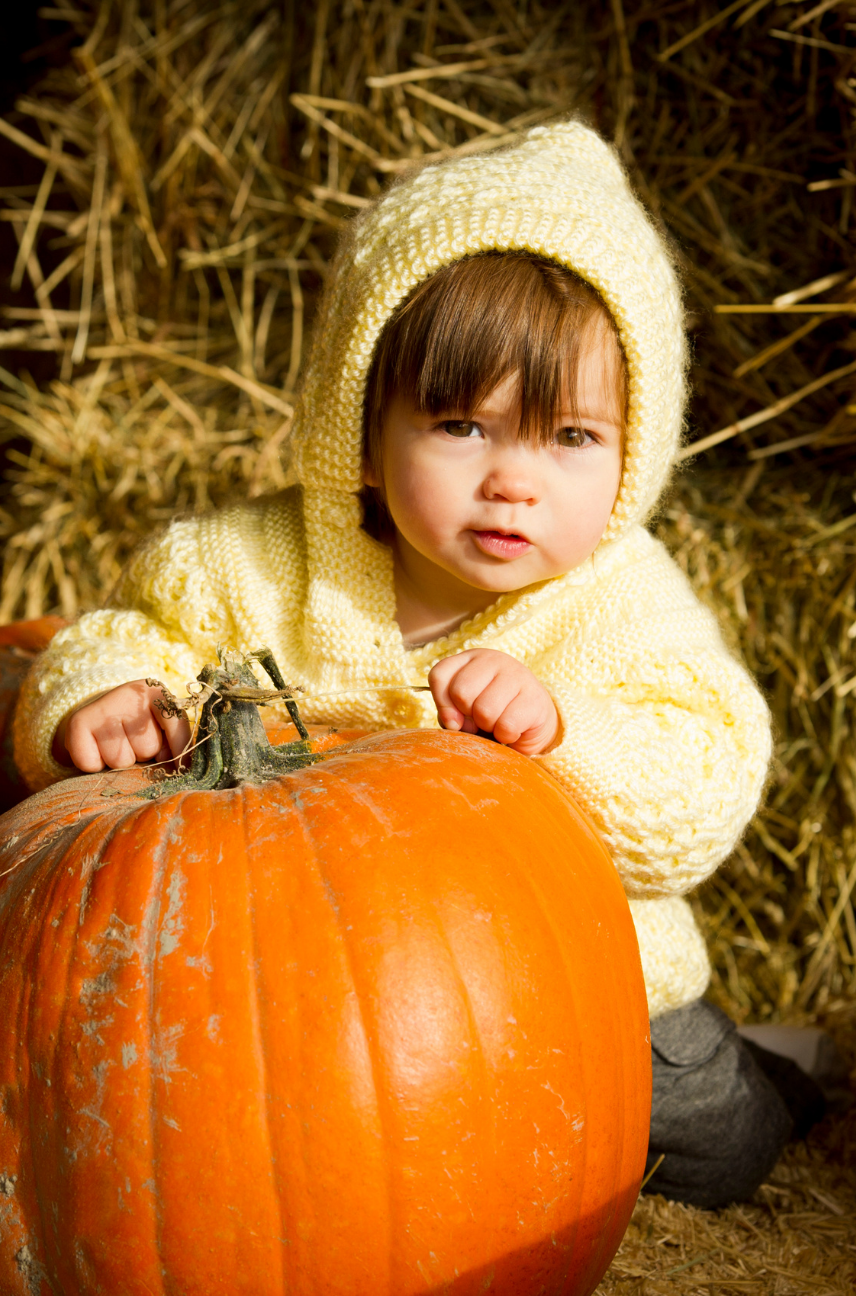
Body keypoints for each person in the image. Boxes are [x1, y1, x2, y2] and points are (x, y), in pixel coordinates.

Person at [13, 121, 819, 1208]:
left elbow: (702, 779)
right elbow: (128, 631)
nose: (513, 483)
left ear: (635, 446)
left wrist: (566, 729)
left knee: (718, 1146)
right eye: (460, 425)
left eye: (569, 437)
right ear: (361, 422)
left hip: (559, 987)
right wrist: (101, 700)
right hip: (286, 996)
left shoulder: (622, 603)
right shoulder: (249, 564)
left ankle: (778, 1073)